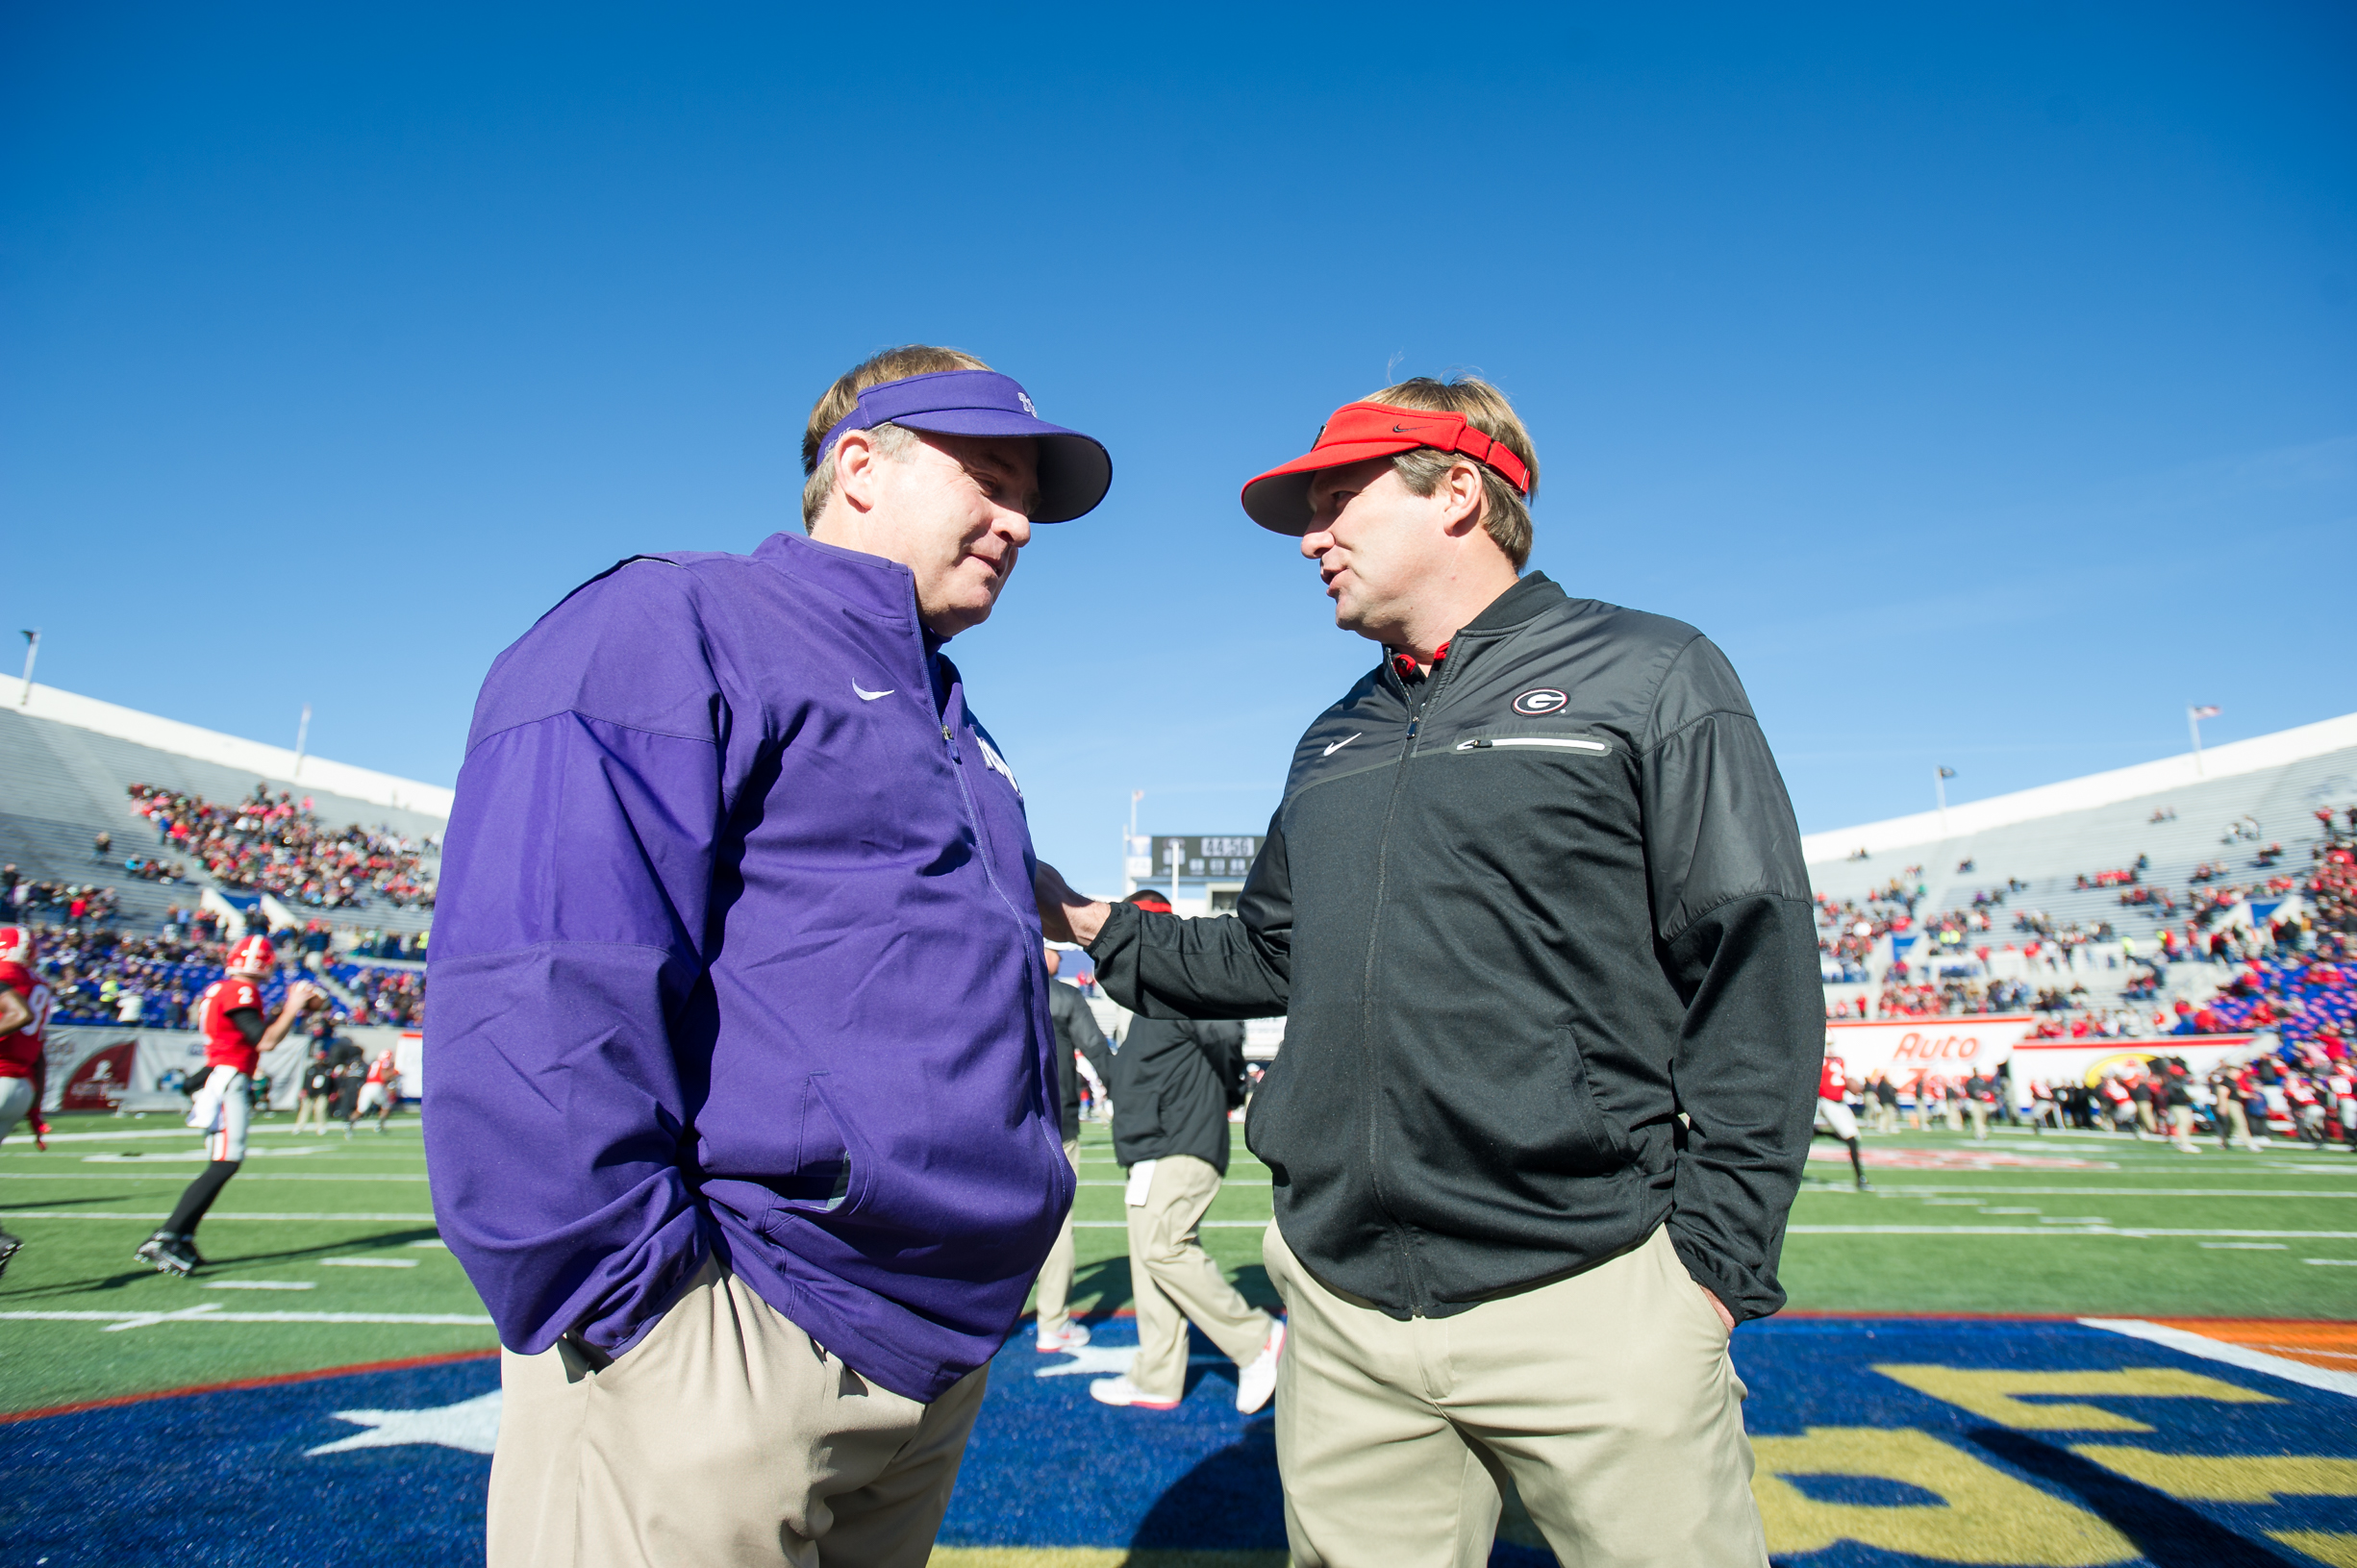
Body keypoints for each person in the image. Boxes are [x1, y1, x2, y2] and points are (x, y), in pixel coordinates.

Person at [1038, 375, 1818, 1567]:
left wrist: (1709, 1269)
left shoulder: (1651, 672)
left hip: (1589, 1288)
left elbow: (1754, 963)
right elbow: (1271, 951)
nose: (1312, 537)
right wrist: (1090, 918)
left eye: (1339, 499)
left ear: (1460, 490)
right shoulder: (1336, 731)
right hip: (1346, 1311)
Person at [425, 346, 1110, 1568]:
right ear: (858, 463)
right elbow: (541, 976)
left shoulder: (953, 714)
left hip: (930, 1350)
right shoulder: (676, 619)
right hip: (729, 1340)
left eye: (1030, 501)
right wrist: (640, 1318)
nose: (1016, 521)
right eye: (989, 477)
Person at [1086, 890, 1281, 1413]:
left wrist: (1228, 1089)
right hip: (1152, 1144)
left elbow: (1222, 1027)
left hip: (1178, 1142)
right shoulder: (1148, 995)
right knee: (1151, 1262)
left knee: (1163, 1249)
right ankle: (1157, 1375)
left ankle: (1257, 1339)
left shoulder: (1182, 984)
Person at [137, 934, 317, 1275]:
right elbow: (264, 1041)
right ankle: (168, 1235)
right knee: (225, 1161)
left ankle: (183, 1235)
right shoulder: (240, 990)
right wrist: (293, 1006)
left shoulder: (222, 988)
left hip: (221, 1073)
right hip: (227, 1079)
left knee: (222, 1161)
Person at [1036, 941, 1113, 1354]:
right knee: (1058, 1226)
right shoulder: (1063, 997)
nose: (1062, 958)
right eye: (1056, 949)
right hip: (1057, 1126)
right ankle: (1052, 1321)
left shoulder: (997, 986)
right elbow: (1098, 1049)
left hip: (1004, 1127)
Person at [0, 925, 57, 1275]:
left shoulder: (5, 974)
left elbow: (19, 1014)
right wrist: (36, 1111)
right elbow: (40, 1054)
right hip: (20, 1084)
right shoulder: (39, 984)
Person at [1816, 1050, 1870, 1190]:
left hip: (1840, 1103)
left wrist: (1853, 1087)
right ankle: (1861, 1178)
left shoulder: (1838, 1060)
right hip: (1826, 1102)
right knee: (1851, 1139)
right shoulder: (1817, 1059)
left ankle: (1818, 1133)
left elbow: (1842, 1082)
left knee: (1853, 1138)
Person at [348, 1044, 400, 1135]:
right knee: (386, 1106)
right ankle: (379, 1126)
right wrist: (394, 1074)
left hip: (367, 1086)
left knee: (361, 1109)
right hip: (377, 1085)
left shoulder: (374, 1063)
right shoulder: (384, 1063)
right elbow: (383, 1076)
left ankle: (349, 1124)